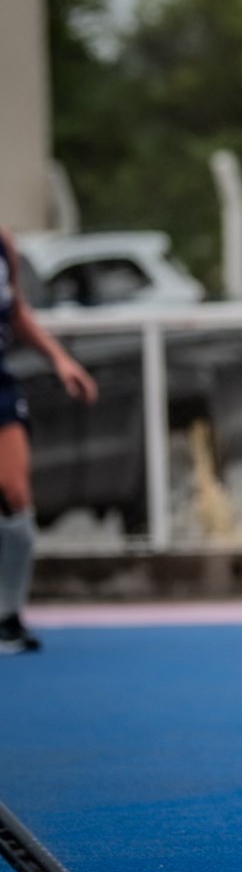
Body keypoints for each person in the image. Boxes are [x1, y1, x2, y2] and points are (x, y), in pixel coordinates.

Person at [0, 228, 99, 654]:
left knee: (15, 493)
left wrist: (59, 358)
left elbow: (16, 310)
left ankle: (7, 617)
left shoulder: (3, 244)